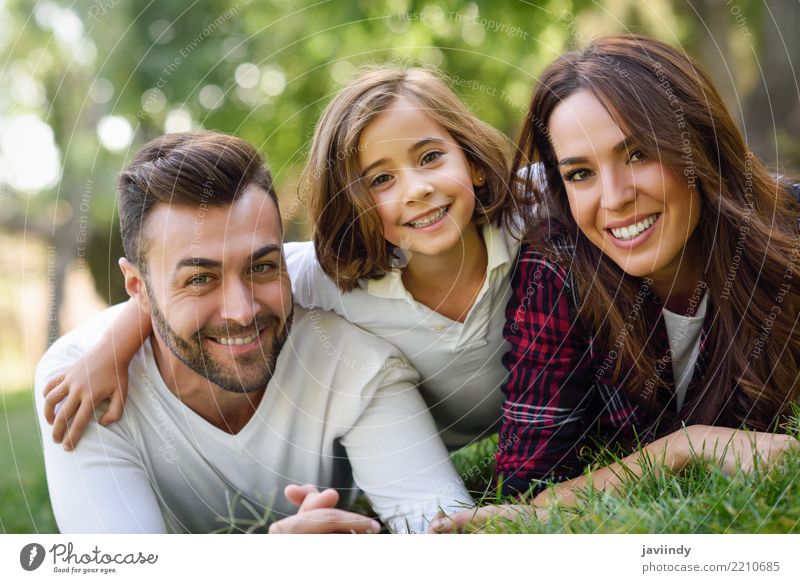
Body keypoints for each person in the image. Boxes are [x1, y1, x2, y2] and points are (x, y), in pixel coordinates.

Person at [43, 67, 522, 451]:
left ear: (474, 162)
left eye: (431, 157)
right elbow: (206, 281)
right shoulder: (330, 277)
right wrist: (111, 351)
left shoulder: (534, 218)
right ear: (351, 204)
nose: (417, 190)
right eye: (380, 180)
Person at [434, 35, 800, 531]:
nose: (615, 198)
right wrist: (684, 445)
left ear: (699, 142)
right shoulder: (558, 271)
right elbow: (526, 490)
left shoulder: (787, 232)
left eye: (638, 153)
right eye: (580, 173)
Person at [35, 131, 470, 534]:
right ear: (138, 289)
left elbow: (444, 534)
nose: (242, 312)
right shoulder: (80, 384)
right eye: (200, 278)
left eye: (261, 267)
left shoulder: (356, 364)